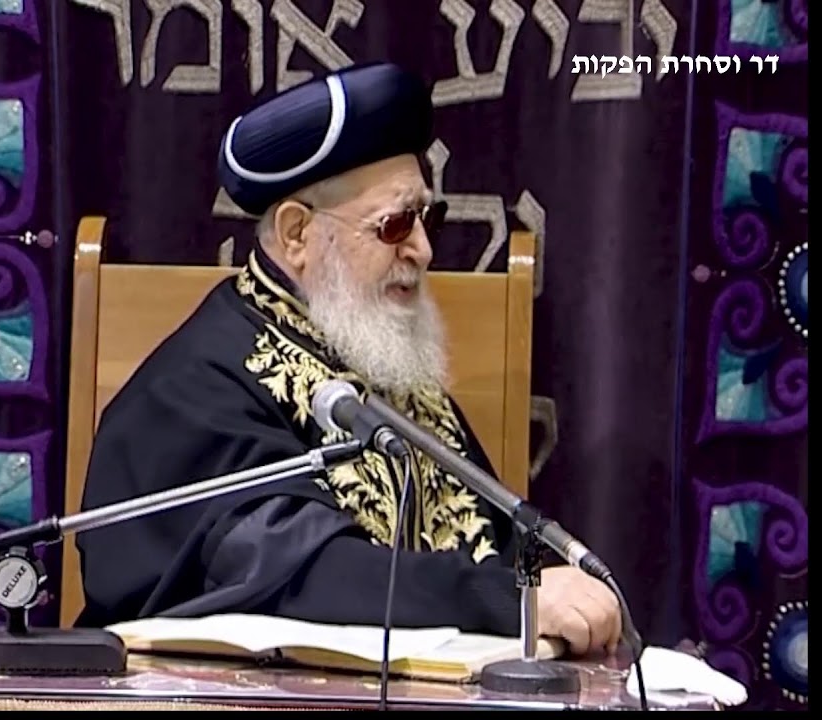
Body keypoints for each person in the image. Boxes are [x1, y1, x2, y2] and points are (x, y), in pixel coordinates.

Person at [75, 62, 623, 657]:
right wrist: (507, 600)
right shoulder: (192, 390)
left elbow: (498, 545)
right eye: (395, 225)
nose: (424, 249)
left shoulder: (379, 362)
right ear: (296, 234)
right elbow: (303, 576)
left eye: (427, 218)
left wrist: (552, 593)